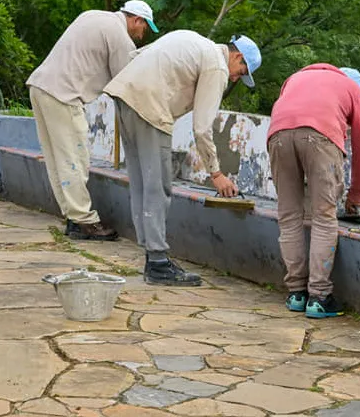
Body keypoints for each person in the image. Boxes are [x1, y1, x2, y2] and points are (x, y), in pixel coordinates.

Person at [104, 30, 262, 286]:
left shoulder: (194, 40)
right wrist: (216, 174)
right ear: (237, 56)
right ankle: (157, 262)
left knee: (141, 182)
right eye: (240, 73)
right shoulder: (217, 65)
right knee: (158, 186)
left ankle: (150, 253)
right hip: (150, 108)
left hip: (125, 96)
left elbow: (138, 54)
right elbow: (201, 127)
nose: (235, 78)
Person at [26, 0, 158, 241]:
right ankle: (85, 222)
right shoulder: (120, 36)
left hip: (40, 86)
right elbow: (125, 83)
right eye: (144, 28)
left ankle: (73, 217)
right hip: (63, 95)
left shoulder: (92, 15)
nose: (142, 34)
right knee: (75, 158)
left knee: (57, 160)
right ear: (137, 20)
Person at [267, 64, 360, 318]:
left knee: (290, 216)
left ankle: (296, 294)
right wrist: (355, 195)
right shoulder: (355, 91)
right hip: (320, 137)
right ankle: (319, 296)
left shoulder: (296, 77)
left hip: (277, 136)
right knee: (324, 217)